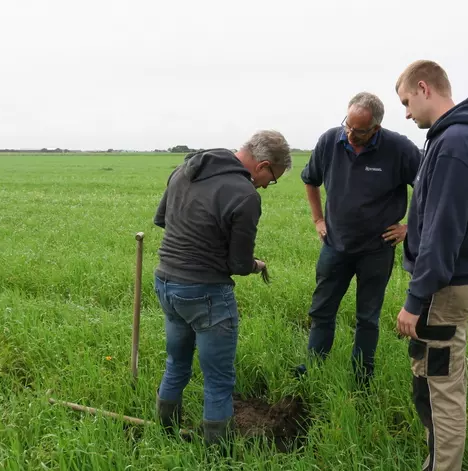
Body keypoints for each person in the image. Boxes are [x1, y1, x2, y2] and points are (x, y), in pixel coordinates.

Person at [394, 60, 468, 471]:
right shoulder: (461, 136)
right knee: (440, 371)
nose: (405, 114)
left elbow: (442, 233)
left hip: (444, 285)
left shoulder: (454, 143)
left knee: (441, 386)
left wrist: (415, 300)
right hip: (455, 280)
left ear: (424, 88)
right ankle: (437, 463)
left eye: (405, 102)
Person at [152, 130, 291, 447]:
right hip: (206, 294)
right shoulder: (245, 195)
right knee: (218, 381)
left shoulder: (185, 170)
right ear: (263, 165)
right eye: (273, 178)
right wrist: (257, 265)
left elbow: (164, 221)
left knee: (176, 364)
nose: (267, 186)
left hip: (167, 284)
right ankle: (218, 457)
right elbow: (239, 264)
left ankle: (165, 435)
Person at [295, 92, 423, 389]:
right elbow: (310, 179)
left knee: (368, 316)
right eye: (348, 126)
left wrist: (409, 229)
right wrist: (317, 220)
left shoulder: (399, 149)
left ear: (375, 128)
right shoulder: (330, 141)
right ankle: (314, 366)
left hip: (376, 250)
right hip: (335, 246)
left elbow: (429, 188)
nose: (350, 135)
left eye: (360, 131)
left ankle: (362, 378)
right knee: (322, 309)